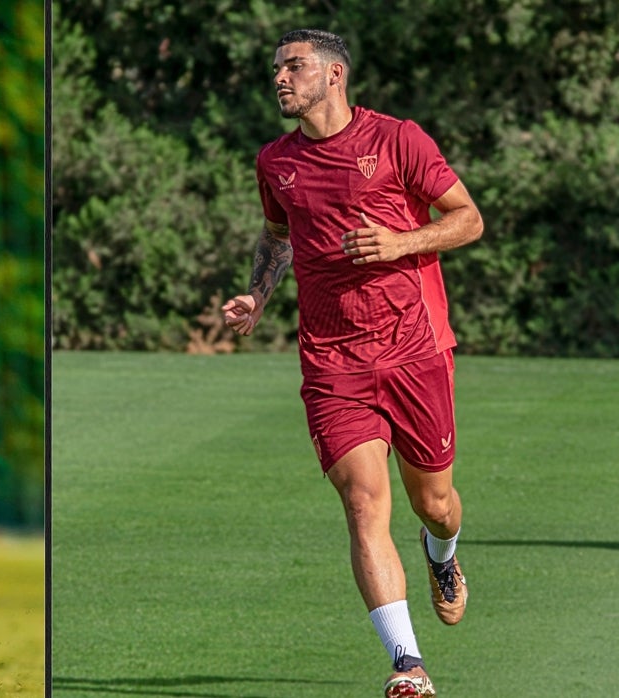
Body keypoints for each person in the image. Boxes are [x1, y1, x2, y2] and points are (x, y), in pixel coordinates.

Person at [222, 29, 483, 698]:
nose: (280, 77)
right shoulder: (276, 161)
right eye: (277, 67)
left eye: (294, 66)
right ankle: (408, 665)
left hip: (415, 350)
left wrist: (401, 241)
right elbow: (278, 236)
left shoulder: (398, 140)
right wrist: (258, 293)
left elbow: (467, 220)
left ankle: (443, 554)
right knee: (365, 502)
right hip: (332, 362)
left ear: (333, 75)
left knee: (437, 504)